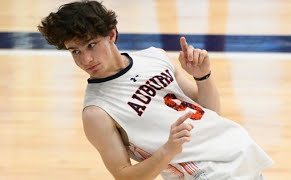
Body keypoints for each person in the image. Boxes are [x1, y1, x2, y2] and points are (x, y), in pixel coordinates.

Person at [38, 0, 273, 179]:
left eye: (91, 45)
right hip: (203, 172)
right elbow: (123, 175)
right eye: (75, 51)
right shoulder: (96, 112)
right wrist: (168, 150)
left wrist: (203, 76)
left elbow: (210, 112)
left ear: (111, 34)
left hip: (236, 149)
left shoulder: (155, 57)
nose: (86, 59)